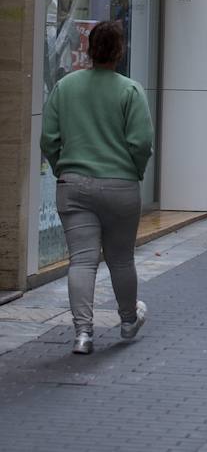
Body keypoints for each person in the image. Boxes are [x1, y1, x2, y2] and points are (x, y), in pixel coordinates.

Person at [39, 20, 153, 356]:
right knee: (120, 259)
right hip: (120, 186)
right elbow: (142, 143)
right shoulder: (130, 91)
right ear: (120, 51)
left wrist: (64, 167)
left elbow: (48, 138)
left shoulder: (65, 87)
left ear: (88, 50)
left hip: (73, 185)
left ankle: (83, 334)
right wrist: (133, 171)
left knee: (82, 261)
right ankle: (129, 319)